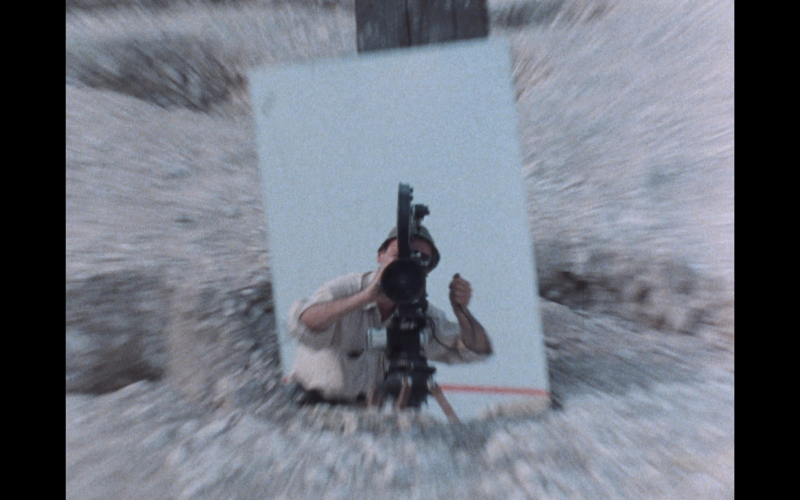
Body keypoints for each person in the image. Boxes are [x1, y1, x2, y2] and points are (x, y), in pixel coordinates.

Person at [285, 226, 493, 406]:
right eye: (398, 256)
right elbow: (302, 323)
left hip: (367, 417)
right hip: (310, 409)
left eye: (418, 261)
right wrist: (364, 298)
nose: (405, 265)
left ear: (426, 270)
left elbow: (475, 350)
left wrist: (462, 311)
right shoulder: (347, 289)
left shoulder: (422, 314)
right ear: (380, 255)